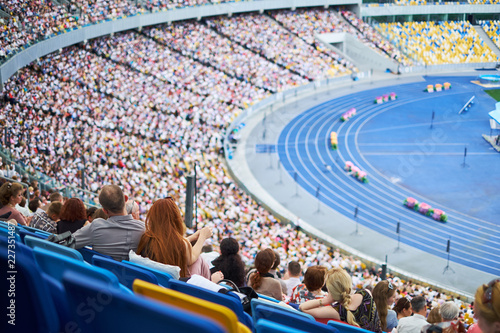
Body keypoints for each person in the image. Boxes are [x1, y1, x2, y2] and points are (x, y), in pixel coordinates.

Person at [137, 197, 214, 279]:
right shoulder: (181, 244)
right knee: (199, 259)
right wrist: (202, 237)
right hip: (173, 288)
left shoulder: (146, 238)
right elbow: (192, 257)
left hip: (151, 284)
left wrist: (192, 237)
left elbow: (170, 244)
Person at [73, 185, 145, 261]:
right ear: (126, 199)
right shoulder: (143, 229)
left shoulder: (96, 227)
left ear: (105, 210)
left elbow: (66, 242)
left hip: (102, 272)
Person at [300, 267, 382, 333]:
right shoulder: (366, 294)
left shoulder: (335, 311)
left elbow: (303, 307)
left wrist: (325, 300)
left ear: (330, 290)